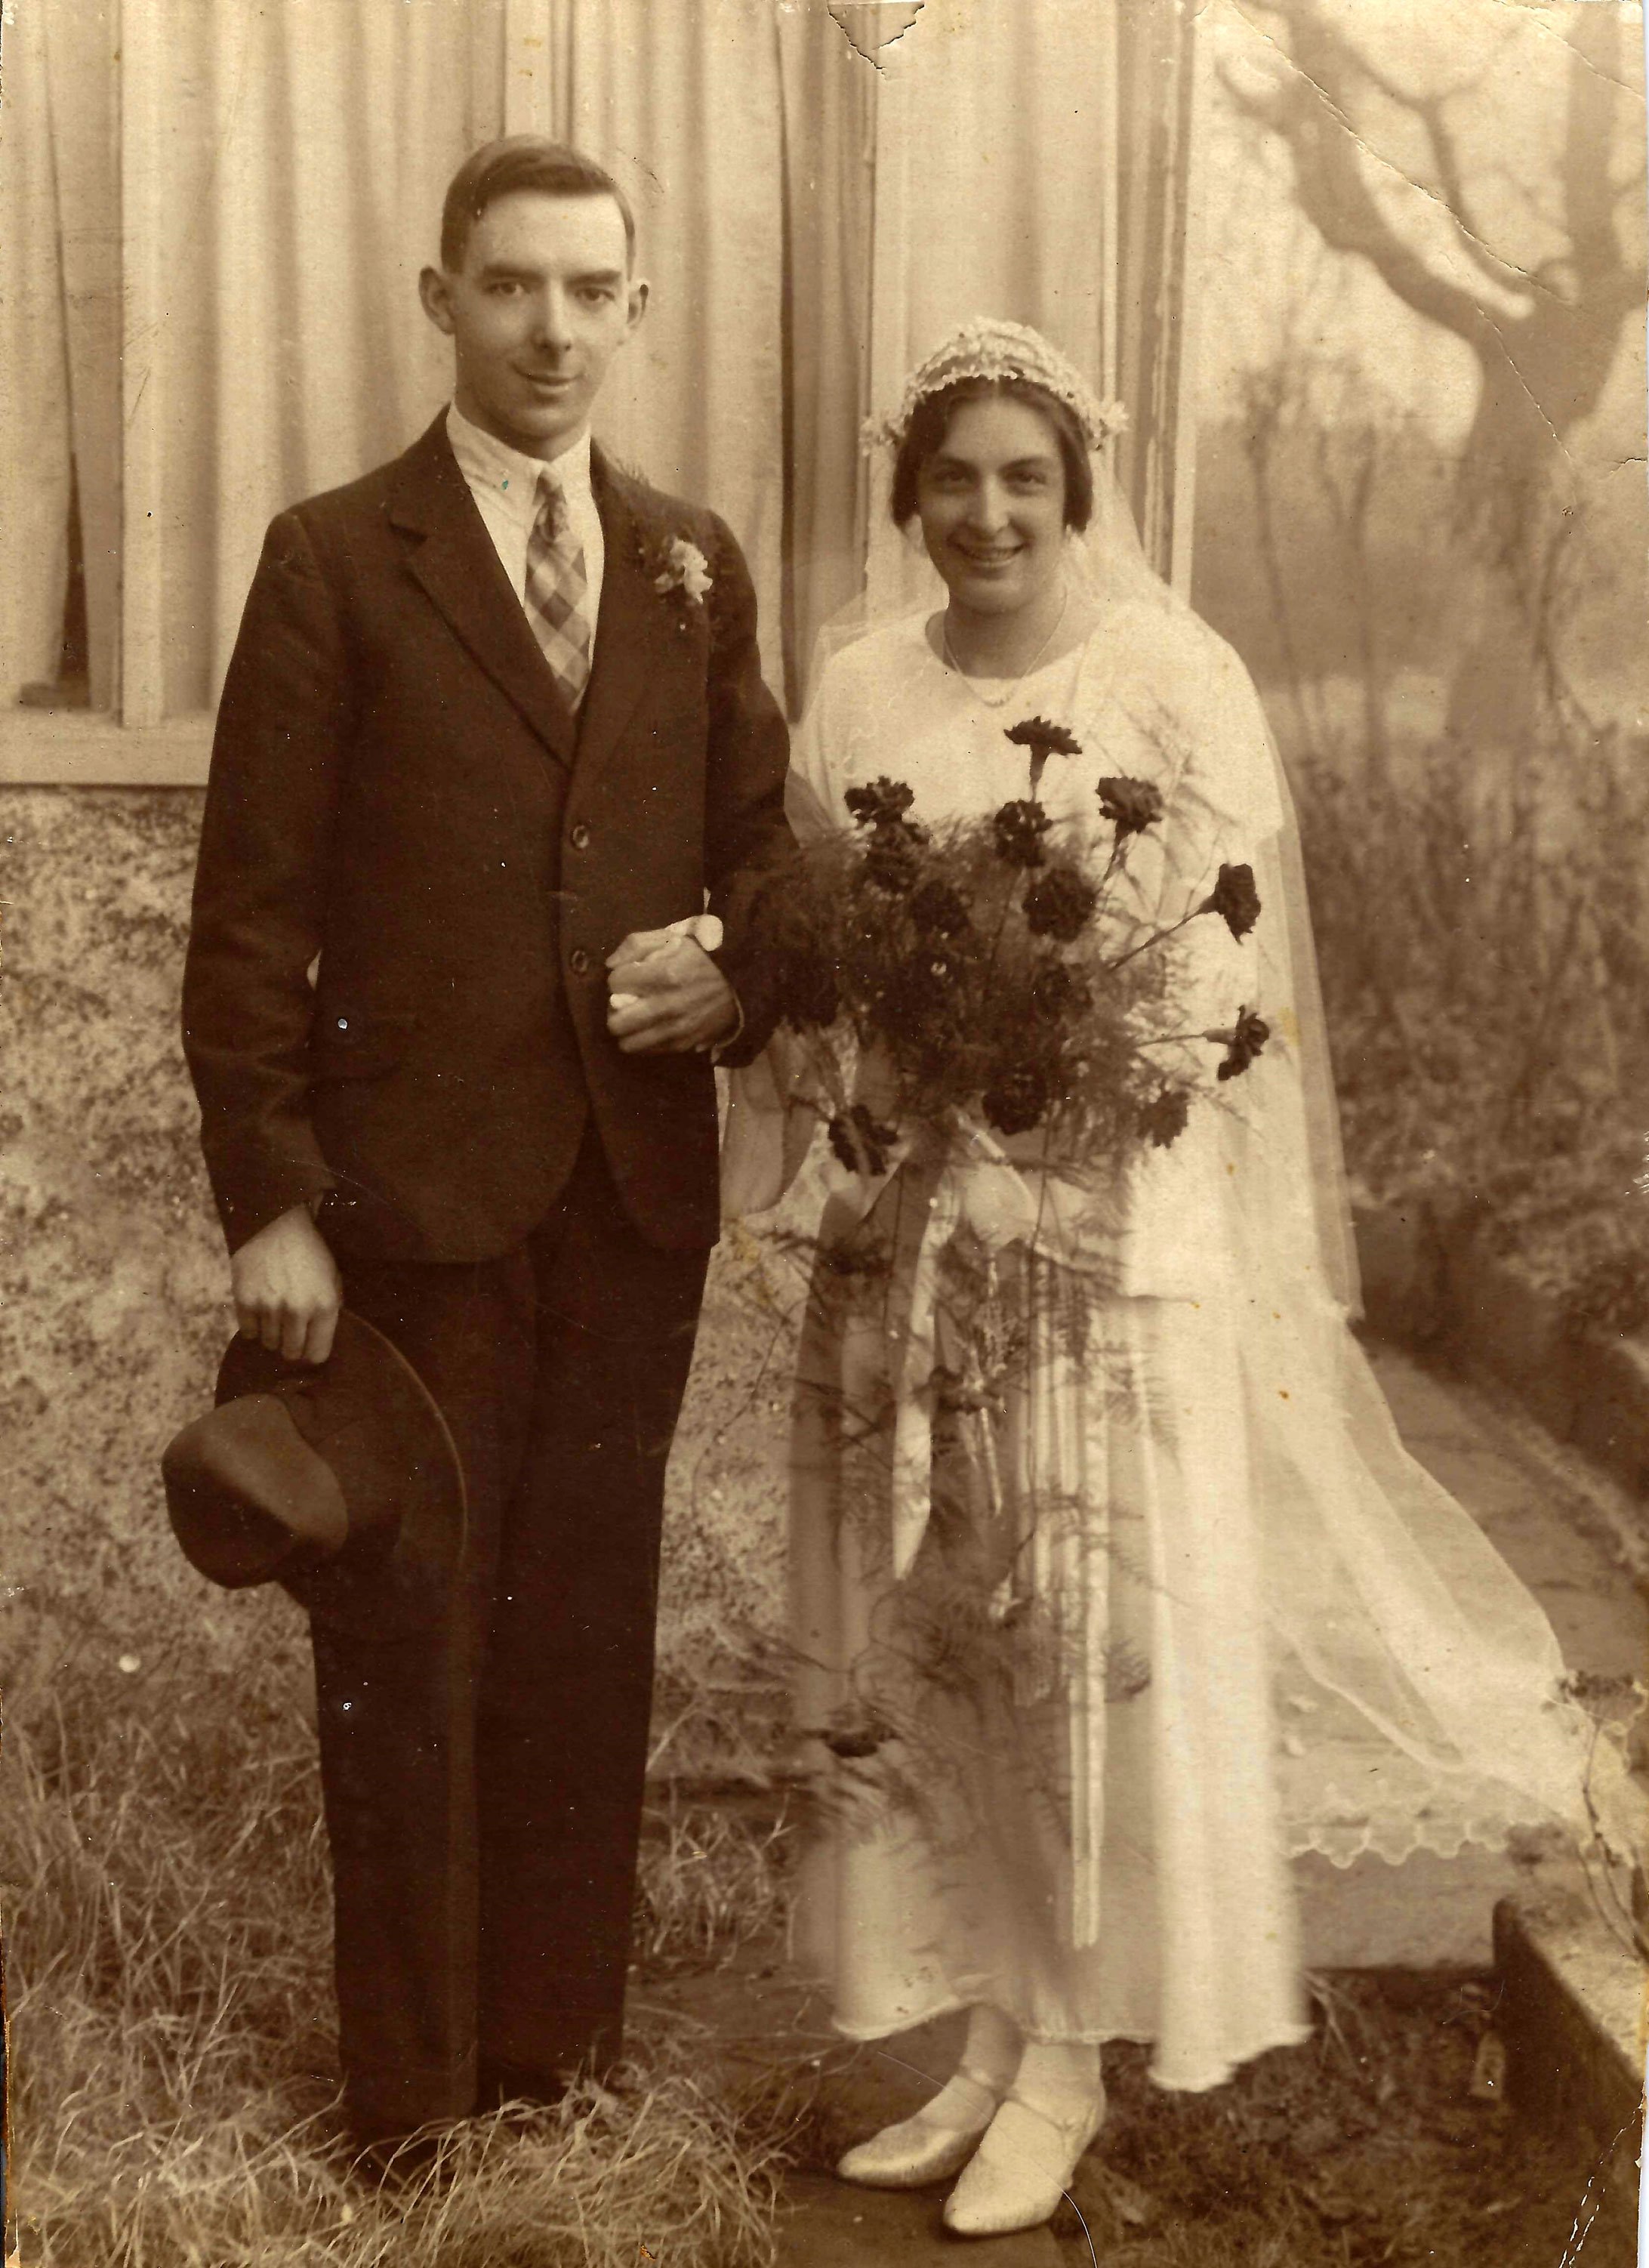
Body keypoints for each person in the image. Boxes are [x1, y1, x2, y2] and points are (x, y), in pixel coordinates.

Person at [732, 319, 1638, 2239]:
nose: (989, 512)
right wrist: (892, 1108)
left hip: (1092, 1250)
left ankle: (1068, 2058)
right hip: (913, 1243)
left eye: (1027, 480)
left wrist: (1028, 1133)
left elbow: (1206, 994)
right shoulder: (857, 687)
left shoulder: (1172, 677)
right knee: (935, 1637)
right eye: (956, 478)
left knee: (1081, 1651)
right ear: (912, 494)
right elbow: (819, 959)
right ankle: (987, 2033)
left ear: (1080, 493)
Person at [181, 136, 791, 2152]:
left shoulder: (692, 557)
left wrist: (733, 969)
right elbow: (250, 915)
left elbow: (771, 859)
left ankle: (554, 2063)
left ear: (637, 306)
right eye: (511, 285)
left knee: (585, 1629)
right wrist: (273, 1196)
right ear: (438, 301)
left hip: (629, 1204)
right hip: (412, 1212)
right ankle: (408, 2102)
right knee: (409, 1647)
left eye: (589, 287)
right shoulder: (339, 556)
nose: (552, 327)